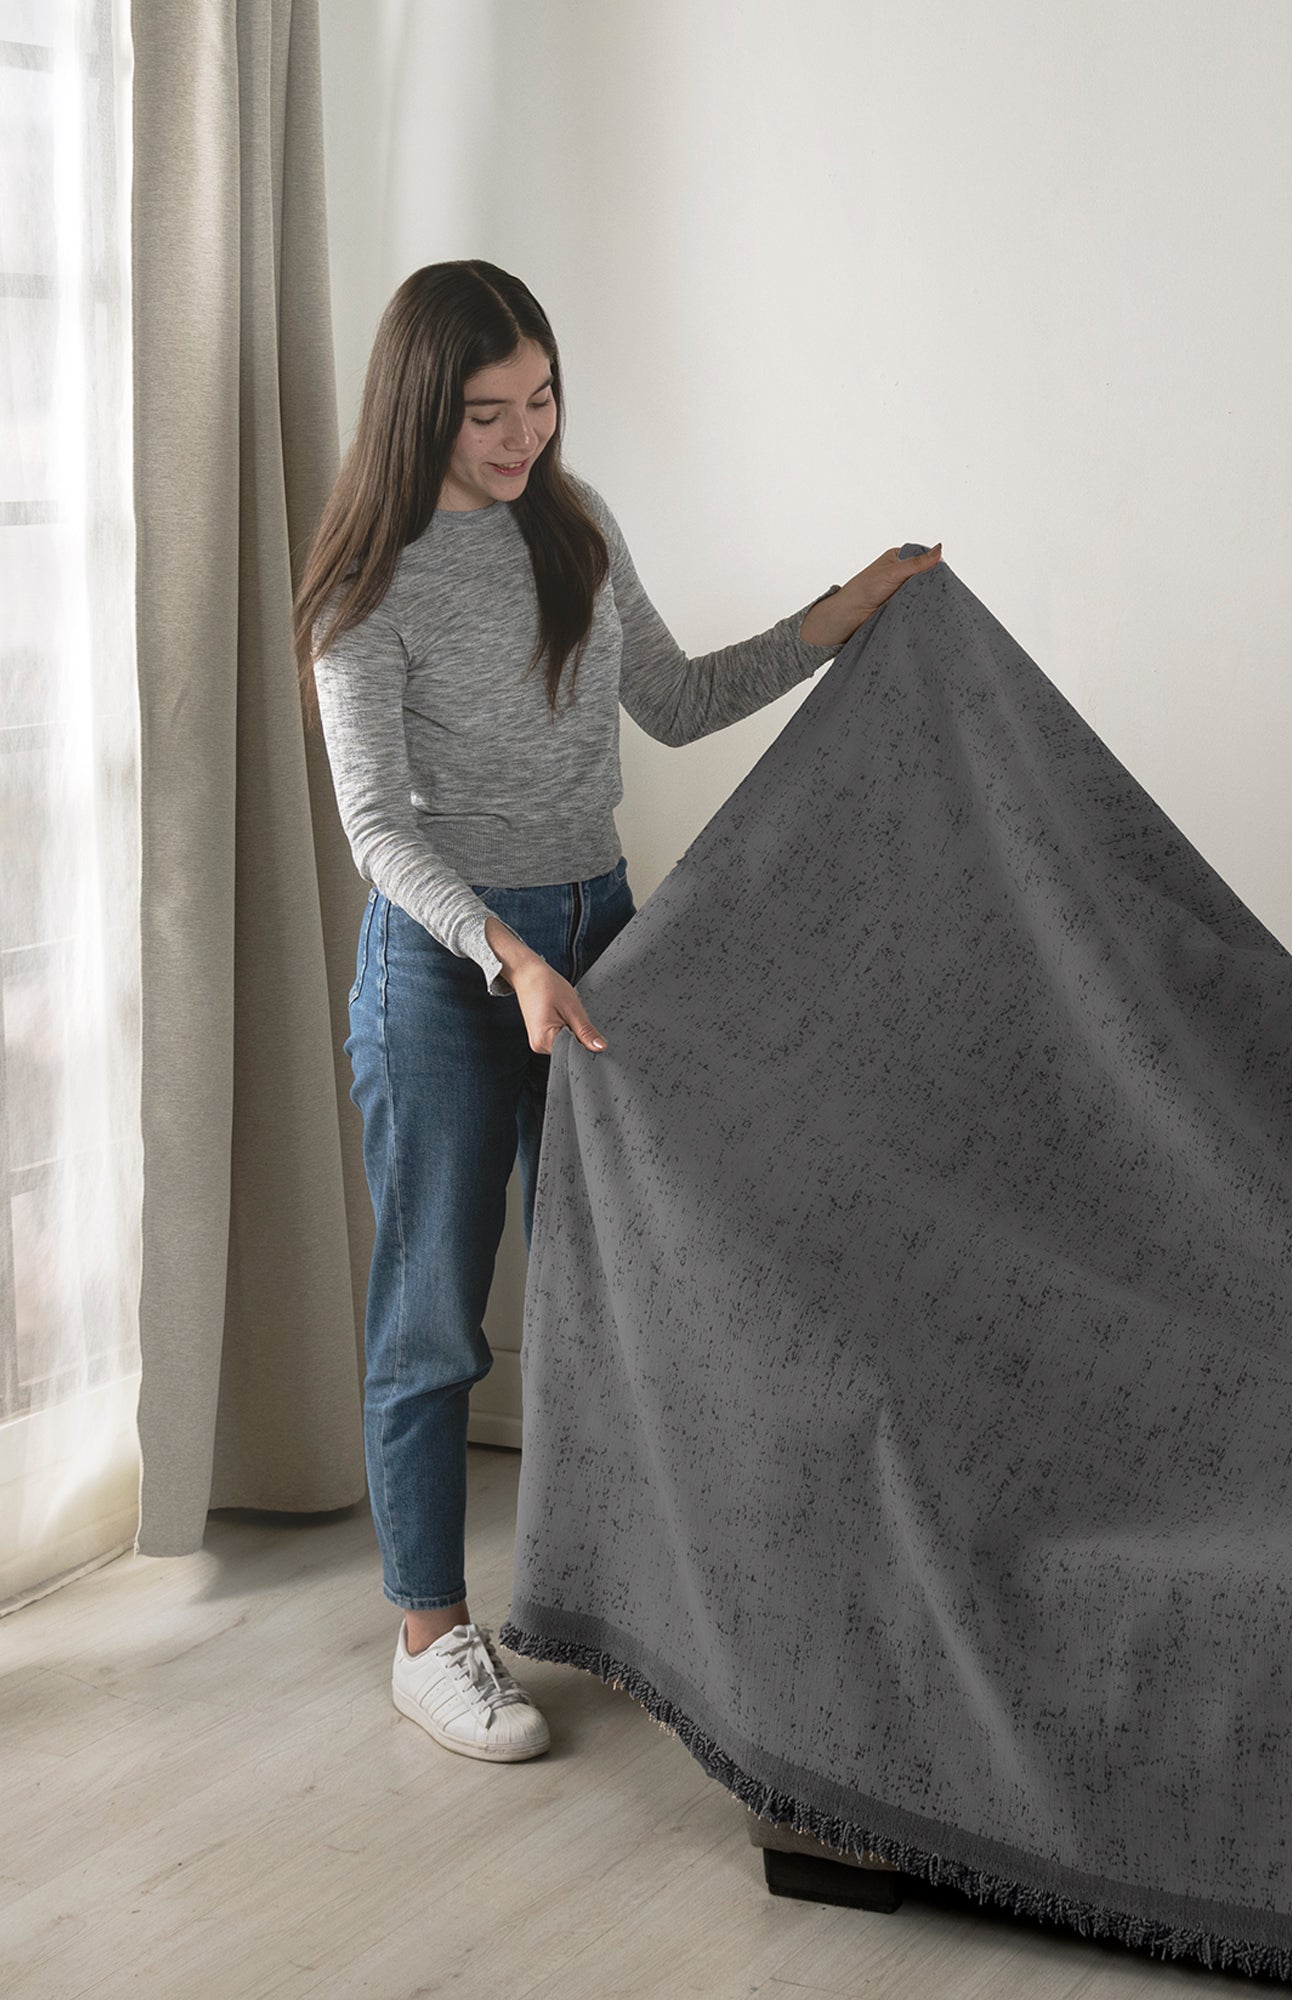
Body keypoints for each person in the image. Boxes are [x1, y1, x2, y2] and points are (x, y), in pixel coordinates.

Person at [293, 259, 941, 1763]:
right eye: (489, 414)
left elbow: (679, 700)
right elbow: (377, 829)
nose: (526, 436)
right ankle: (429, 1636)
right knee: (434, 1319)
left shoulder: (573, 524)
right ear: (420, 410)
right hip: (447, 973)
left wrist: (847, 610)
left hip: (602, 936)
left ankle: (630, 1608)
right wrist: (507, 958)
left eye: (543, 400)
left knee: (628, 1294)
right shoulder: (365, 586)